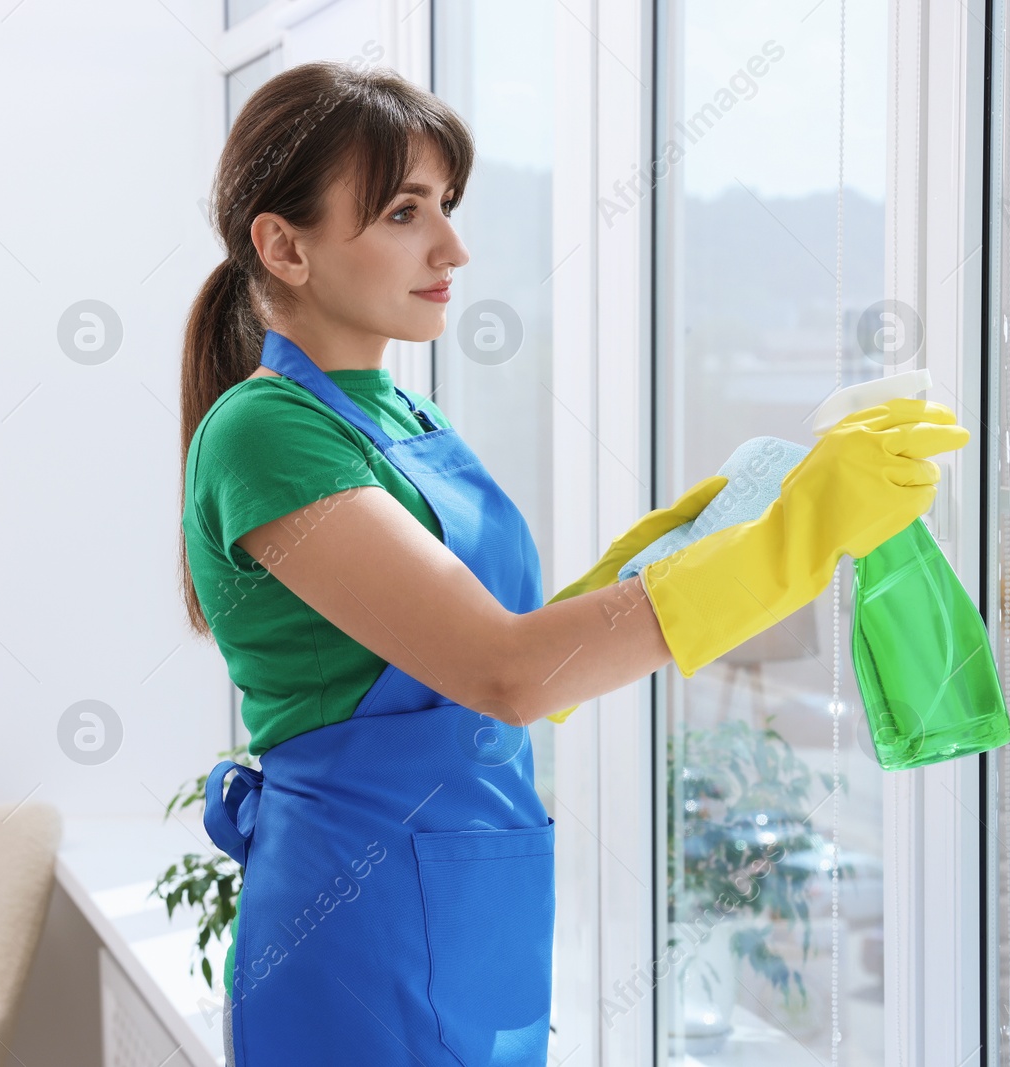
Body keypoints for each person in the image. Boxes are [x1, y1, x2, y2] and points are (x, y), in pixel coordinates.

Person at [177, 61, 967, 1067]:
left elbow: (498, 666)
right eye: (404, 211)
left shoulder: (403, 415)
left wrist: (712, 520)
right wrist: (794, 536)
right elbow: (505, 672)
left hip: (470, 898)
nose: (452, 247)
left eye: (447, 206)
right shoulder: (264, 432)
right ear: (283, 244)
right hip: (358, 916)